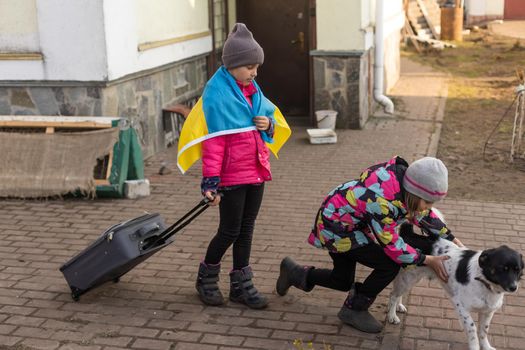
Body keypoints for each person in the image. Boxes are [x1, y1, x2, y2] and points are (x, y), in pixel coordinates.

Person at [276, 156, 464, 333]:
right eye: (428, 202)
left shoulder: (402, 190)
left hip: (345, 226)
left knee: (342, 281)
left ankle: (295, 273)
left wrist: (452, 239)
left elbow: (424, 216)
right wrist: (427, 259)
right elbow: (392, 246)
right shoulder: (381, 201)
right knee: (390, 264)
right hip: (337, 230)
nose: (429, 207)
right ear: (414, 192)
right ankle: (355, 309)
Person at [176, 23, 291, 309]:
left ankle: (240, 285)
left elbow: (264, 128)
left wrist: (270, 125)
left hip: (255, 172)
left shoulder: (253, 93)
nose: (254, 72)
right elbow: (213, 145)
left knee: (247, 229)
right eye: (249, 66)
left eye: (256, 67)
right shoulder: (218, 97)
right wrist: (210, 184)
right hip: (230, 177)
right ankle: (206, 278)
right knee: (229, 230)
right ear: (232, 65)